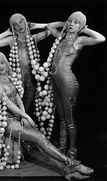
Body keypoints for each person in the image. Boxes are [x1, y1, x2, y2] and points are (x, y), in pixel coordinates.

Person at [0, 52, 93, 180]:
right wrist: (27, 117)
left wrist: (23, 116)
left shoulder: (9, 78)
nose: (0, 66)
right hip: (6, 122)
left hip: (17, 117)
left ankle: (67, 171)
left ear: (6, 63)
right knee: (40, 138)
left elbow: (18, 100)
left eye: (2, 62)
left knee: (39, 141)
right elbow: (9, 105)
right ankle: (73, 164)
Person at [46, 11, 105, 159]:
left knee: (69, 118)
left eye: (76, 22)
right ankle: (62, 145)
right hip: (54, 80)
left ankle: (72, 149)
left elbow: (101, 38)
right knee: (61, 118)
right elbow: (49, 26)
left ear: (81, 26)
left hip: (68, 82)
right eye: (71, 21)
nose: (72, 24)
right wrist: (64, 23)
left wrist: (84, 29)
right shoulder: (61, 37)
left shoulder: (79, 40)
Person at [0, 13, 50, 114]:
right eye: (15, 24)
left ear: (25, 23)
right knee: (16, 107)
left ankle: (24, 122)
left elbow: (50, 28)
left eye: (21, 21)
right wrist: (7, 32)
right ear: (13, 28)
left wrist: (34, 25)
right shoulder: (12, 40)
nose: (19, 25)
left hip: (32, 80)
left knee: (26, 109)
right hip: (17, 79)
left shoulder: (34, 38)